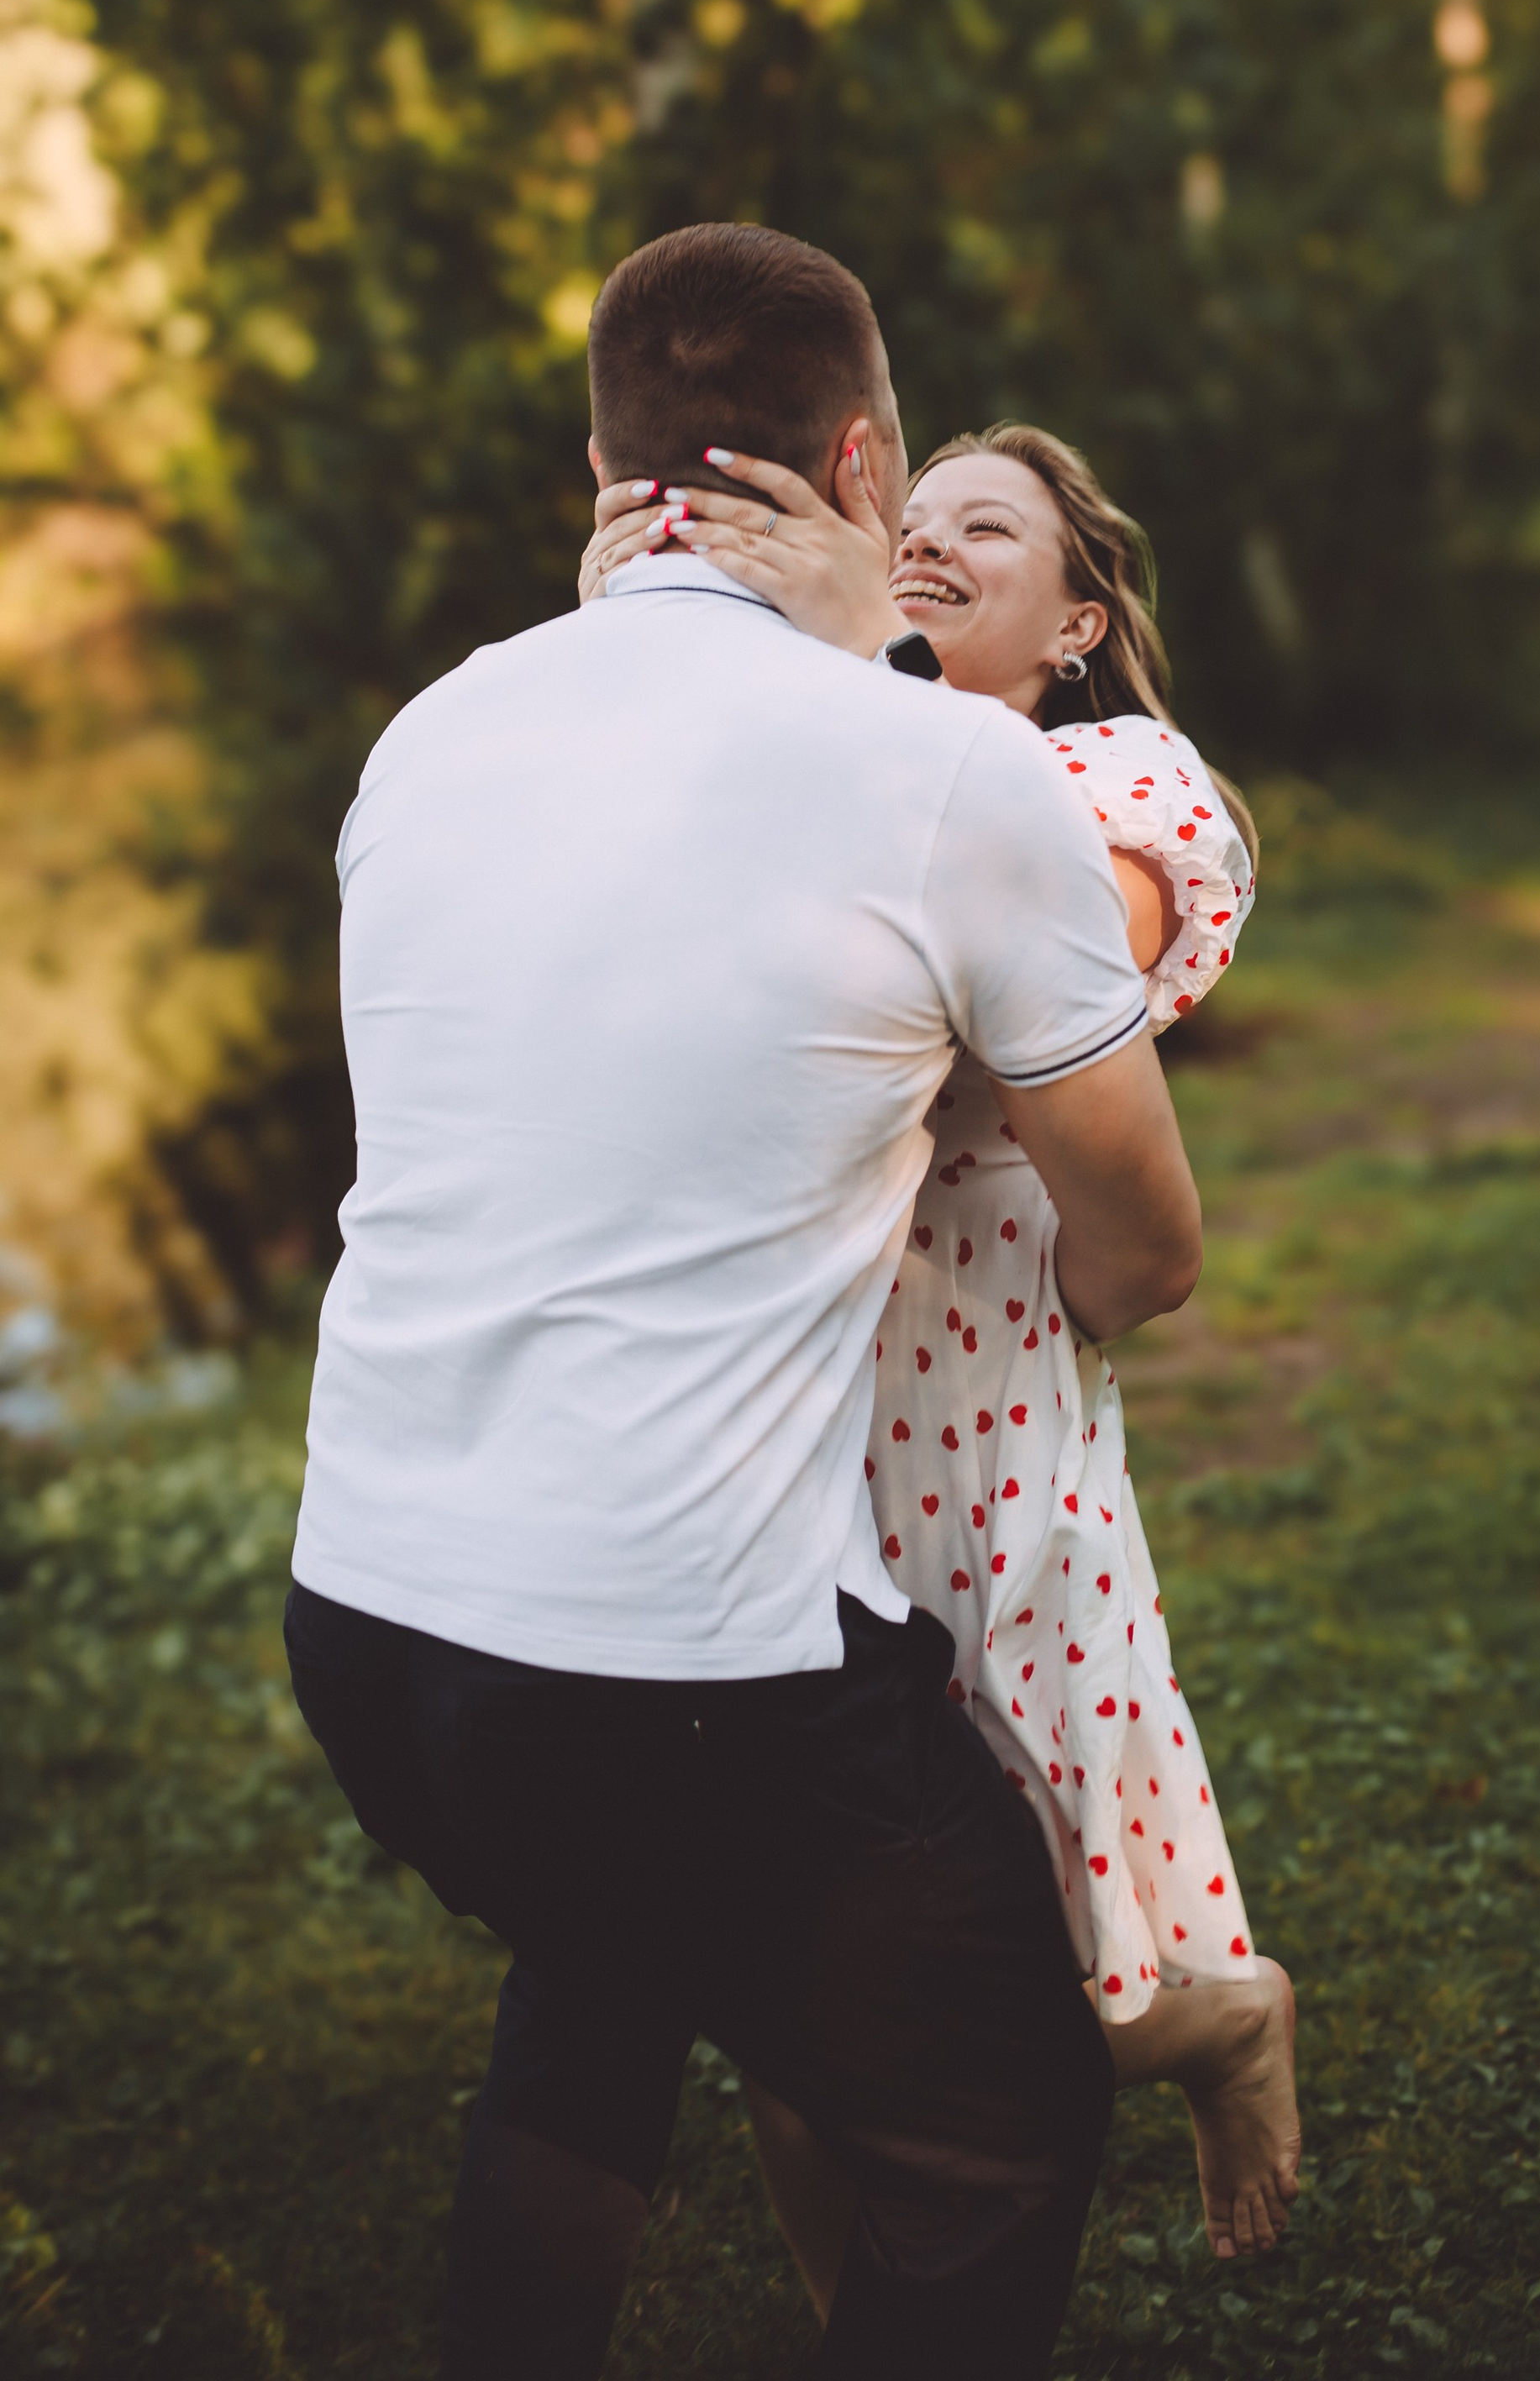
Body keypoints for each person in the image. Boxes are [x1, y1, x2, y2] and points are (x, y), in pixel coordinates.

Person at [283, 222, 1206, 2381]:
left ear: (600, 467)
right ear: (865, 462)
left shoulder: (429, 731)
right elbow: (1147, 1250)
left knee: (602, 1967)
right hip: (675, 1665)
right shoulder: (949, 768)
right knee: (993, 2111)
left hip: (368, 1625)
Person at [576, 418, 1301, 2282]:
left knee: (1056, 1919)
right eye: (914, 515)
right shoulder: (823, 764)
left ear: (1073, 621)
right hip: (783, 1408)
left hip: (977, 1420)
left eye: (987, 528)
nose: (925, 542)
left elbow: (1007, 1027)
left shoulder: (1121, 785)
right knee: (795, 1949)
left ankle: (1220, 2023)